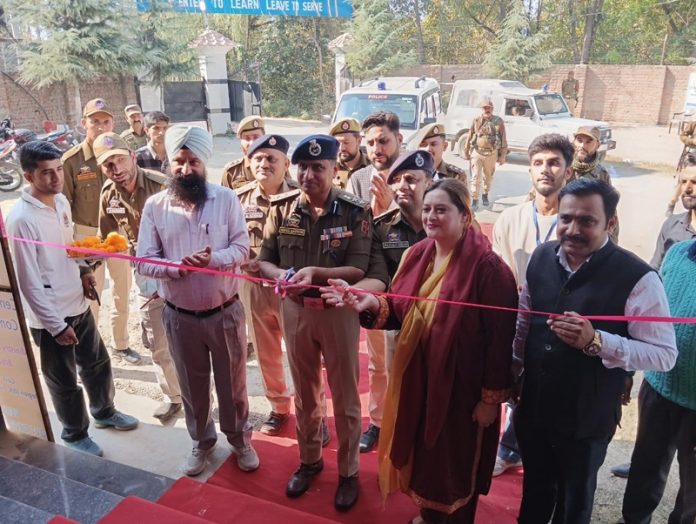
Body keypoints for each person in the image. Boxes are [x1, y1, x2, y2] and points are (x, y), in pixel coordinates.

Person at [330, 178, 518, 523]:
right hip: (420, 377)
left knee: (457, 462)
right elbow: (400, 308)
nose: (431, 216)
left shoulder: (490, 271)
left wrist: (490, 401)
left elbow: (500, 342)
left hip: (464, 391)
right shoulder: (418, 254)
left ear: (465, 216)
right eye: (427, 208)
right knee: (424, 454)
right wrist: (370, 300)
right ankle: (430, 515)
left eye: (442, 209)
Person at [513, 178, 678, 524]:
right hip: (535, 408)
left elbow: (664, 355)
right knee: (536, 492)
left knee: (574, 504)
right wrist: (514, 377)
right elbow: (524, 324)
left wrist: (597, 341)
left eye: (587, 221)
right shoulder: (542, 257)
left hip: (586, 418)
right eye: (565, 218)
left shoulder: (638, 278)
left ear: (611, 223)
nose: (572, 229)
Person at [257, 134, 373, 511]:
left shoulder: (356, 211)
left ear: (334, 169)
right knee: (305, 394)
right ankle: (309, 462)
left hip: (337, 312)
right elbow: (265, 259)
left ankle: (349, 472)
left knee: (345, 397)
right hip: (296, 312)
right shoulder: (283, 209)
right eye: (302, 167)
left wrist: (315, 272)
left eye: (318, 167)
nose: (308, 174)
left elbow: (359, 267)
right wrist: (279, 276)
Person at [136, 125, 258, 477]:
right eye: (179, 161)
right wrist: (177, 268)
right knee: (192, 385)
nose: (186, 169)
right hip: (179, 315)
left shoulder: (226, 199)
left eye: (193, 162)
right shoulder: (155, 206)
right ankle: (201, 442)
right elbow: (143, 259)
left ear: (205, 163)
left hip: (224, 312)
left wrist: (212, 261)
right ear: (168, 163)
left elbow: (242, 248)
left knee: (233, 383)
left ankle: (239, 440)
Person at [7, 141, 139, 457]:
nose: (56, 179)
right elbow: (28, 282)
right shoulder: (21, 219)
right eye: (46, 173)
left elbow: (69, 248)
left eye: (57, 171)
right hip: (51, 315)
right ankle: (75, 433)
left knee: (97, 364)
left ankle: (104, 412)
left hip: (77, 302)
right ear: (28, 176)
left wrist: (83, 272)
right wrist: (54, 326)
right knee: (64, 381)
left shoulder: (62, 202)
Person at [491, 133, 573, 477]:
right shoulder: (511, 219)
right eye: (538, 163)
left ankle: (515, 447)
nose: (545, 170)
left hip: (558, 324)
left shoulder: (577, 221)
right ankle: (513, 444)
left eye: (554, 163)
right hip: (514, 318)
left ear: (567, 172)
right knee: (513, 380)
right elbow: (496, 270)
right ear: (529, 170)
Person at [610, 155, 696, 480]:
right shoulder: (674, 239)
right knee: (648, 463)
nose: (689, 188)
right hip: (661, 380)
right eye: (684, 181)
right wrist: (630, 367)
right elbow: (647, 294)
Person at [94, 132, 182, 422]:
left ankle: (201, 398)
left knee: (190, 338)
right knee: (156, 342)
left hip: (176, 271)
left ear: (132, 156)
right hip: (144, 276)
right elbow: (107, 237)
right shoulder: (108, 193)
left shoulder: (163, 186)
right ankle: (174, 397)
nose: (116, 168)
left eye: (120, 159)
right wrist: (86, 256)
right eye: (108, 165)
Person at [358, 150, 433, 455]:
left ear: (430, 181)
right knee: (388, 375)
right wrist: (359, 293)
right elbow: (378, 275)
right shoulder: (383, 228)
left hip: (439, 324)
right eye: (397, 179)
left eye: (412, 179)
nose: (403, 185)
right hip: (394, 321)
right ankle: (383, 425)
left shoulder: (445, 220)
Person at [619, 239, 696, 524]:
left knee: (692, 493)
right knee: (645, 469)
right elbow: (646, 316)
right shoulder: (677, 253)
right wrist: (627, 371)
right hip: (658, 386)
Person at [62, 98, 139, 365]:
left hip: (118, 231)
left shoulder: (121, 152)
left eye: (105, 121)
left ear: (113, 123)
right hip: (86, 234)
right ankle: (91, 348)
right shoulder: (72, 161)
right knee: (90, 293)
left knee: (122, 289)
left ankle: (121, 343)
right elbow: (63, 206)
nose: (100, 126)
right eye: (94, 121)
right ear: (84, 124)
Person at [234, 134, 297, 436]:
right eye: (258, 159)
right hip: (254, 289)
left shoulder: (303, 197)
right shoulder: (238, 199)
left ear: (286, 164)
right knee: (265, 352)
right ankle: (279, 408)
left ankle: (317, 414)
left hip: (292, 290)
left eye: (271, 158)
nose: (264, 164)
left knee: (303, 356)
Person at [348, 111, 403, 215]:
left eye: (383, 141)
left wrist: (391, 207)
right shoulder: (357, 180)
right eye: (370, 143)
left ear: (399, 140)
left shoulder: (417, 178)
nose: (376, 150)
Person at [571, 126, 619, 243]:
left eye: (588, 142)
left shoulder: (601, 175)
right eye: (579, 140)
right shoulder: (562, 167)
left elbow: (611, 213)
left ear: (597, 146)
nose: (582, 146)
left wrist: (611, 246)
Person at [462, 98, 507, 211]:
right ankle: (475, 199)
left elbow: (503, 139)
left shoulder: (498, 121)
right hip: (477, 152)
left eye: (489, 108)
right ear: (482, 109)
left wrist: (502, 156)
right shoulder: (476, 120)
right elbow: (469, 134)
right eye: (485, 108)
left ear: (492, 109)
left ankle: (485, 194)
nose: (487, 110)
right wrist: (466, 150)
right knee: (476, 177)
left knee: (488, 177)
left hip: (491, 154)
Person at [222, 115, 266, 190]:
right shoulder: (231, 171)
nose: (252, 143)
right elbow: (224, 200)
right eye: (247, 138)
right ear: (241, 141)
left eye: (256, 137)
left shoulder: (276, 166)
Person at [329, 117, 369, 189]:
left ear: (359, 141)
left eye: (346, 143)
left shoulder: (371, 166)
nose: (341, 148)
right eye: (337, 143)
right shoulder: (330, 167)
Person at [666, 119, 696, 214]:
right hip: (691, 158)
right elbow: (683, 136)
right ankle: (672, 203)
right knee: (683, 182)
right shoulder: (693, 123)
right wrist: (692, 141)